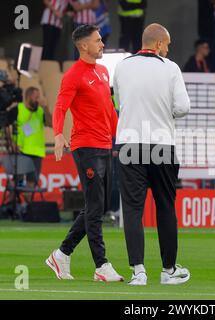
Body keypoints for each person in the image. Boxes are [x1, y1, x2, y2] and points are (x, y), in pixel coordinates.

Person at [113, 23, 191, 286]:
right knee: (165, 207)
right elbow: (183, 107)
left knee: (133, 210)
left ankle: (139, 271)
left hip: (129, 144)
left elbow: (118, 103)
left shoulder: (122, 66)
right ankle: (168, 270)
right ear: (157, 44)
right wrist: (163, 111)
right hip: (161, 144)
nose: (168, 49)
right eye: (166, 44)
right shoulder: (170, 68)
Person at [46, 24, 123, 282]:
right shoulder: (73, 76)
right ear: (83, 46)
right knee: (95, 208)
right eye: (98, 40)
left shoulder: (103, 72)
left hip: (105, 145)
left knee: (97, 207)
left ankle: (61, 254)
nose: (102, 44)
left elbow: (109, 111)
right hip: (86, 146)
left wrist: (120, 137)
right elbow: (60, 107)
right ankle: (101, 265)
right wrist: (58, 134)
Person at [14, 87, 52, 200]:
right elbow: (12, 126)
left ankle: (27, 206)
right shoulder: (19, 108)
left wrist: (45, 108)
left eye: (39, 97)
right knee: (17, 181)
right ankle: (12, 205)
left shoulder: (40, 111)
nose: (38, 100)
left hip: (37, 151)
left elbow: (50, 124)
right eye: (36, 97)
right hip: (22, 150)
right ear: (28, 96)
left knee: (32, 182)